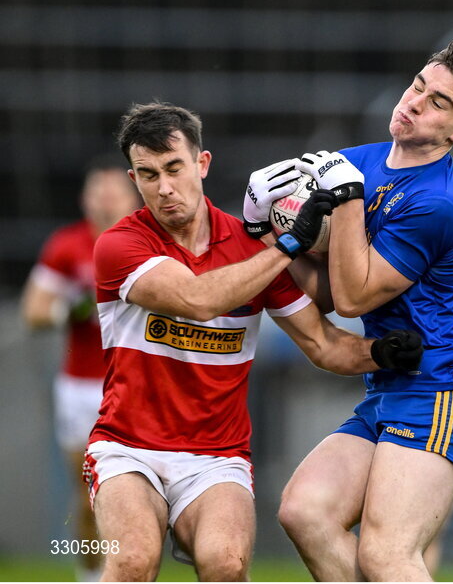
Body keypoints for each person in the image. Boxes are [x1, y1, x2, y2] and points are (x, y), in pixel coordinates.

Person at [86, 102, 422, 581]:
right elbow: (197, 299)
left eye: (174, 168)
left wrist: (381, 352)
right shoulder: (120, 245)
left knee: (226, 564)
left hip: (216, 456)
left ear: (202, 164)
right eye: (147, 174)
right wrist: (285, 247)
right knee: (133, 560)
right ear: (133, 178)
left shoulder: (251, 250)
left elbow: (324, 344)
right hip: (127, 447)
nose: (163, 188)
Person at [249, 39, 453, 582]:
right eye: (418, 85)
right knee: (306, 512)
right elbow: (323, 288)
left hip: (441, 394)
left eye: (438, 103)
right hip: (392, 387)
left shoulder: (437, 202)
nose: (414, 102)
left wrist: (342, 204)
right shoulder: (357, 162)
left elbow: (352, 298)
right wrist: (268, 229)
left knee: (386, 555)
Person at [21, 154, 140, 581]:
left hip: (137, 387)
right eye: (98, 192)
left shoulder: (149, 244)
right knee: (90, 498)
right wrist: (71, 309)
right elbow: (33, 310)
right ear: (84, 198)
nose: (107, 202)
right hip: (82, 388)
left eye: (115, 193)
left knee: (136, 497)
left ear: (133, 196)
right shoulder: (67, 246)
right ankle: (90, 575)